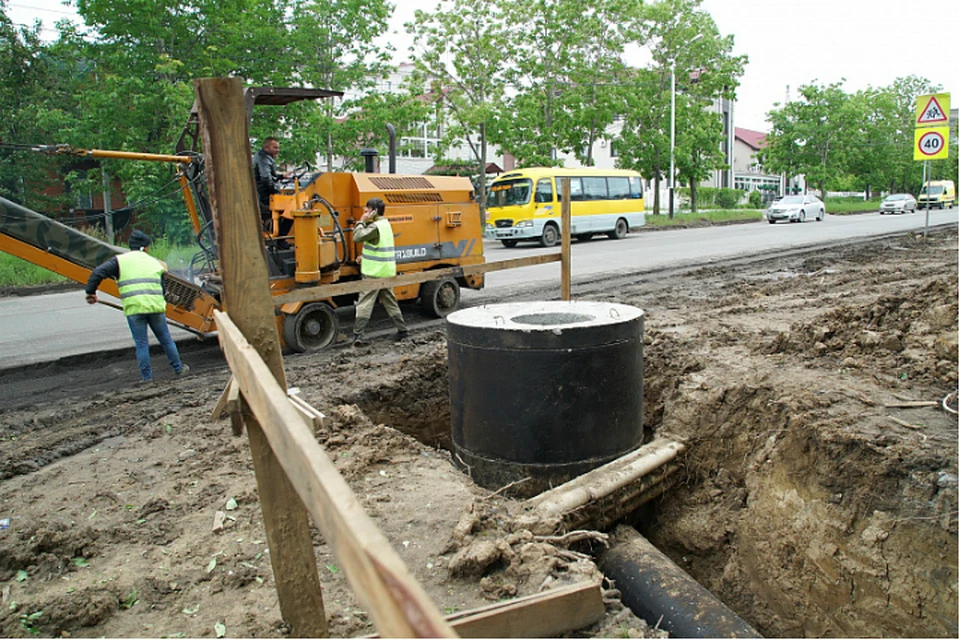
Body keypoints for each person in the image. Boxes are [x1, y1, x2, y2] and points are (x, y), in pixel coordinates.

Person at [85, 230, 189, 383]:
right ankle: (179, 369)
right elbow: (163, 288)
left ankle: (147, 378)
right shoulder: (156, 262)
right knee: (166, 339)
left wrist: (90, 292)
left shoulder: (119, 261)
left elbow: (97, 273)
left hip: (135, 309)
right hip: (155, 307)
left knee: (142, 344)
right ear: (146, 247)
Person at [351, 197, 409, 345]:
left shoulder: (374, 227)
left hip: (374, 273)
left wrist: (361, 221)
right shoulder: (385, 225)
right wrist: (364, 256)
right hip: (386, 271)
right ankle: (403, 330)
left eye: (367, 210)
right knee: (390, 301)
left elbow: (357, 237)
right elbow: (379, 247)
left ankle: (358, 335)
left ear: (374, 211)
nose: (365, 212)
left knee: (364, 302)